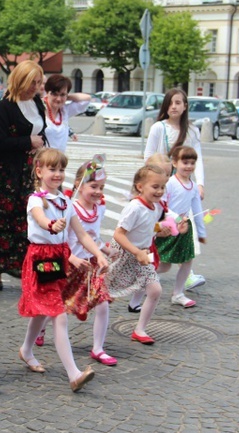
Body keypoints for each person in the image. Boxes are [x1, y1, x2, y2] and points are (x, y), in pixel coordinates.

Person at [18, 148, 107, 392]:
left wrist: (98, 253)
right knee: (58, 314)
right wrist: (51, 225)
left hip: (59, 259)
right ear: (39, 171)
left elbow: (81, 234)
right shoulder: (36, 199)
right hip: (39, 260)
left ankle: (26, 349)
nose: (58, 174)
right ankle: (73, 374)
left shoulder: (66, 202)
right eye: (52, 169)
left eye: (61, 169)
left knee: (45, 311)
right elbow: (39, 218)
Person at [0, 60, 46, 290]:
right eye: (32, 82)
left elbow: (41, 131)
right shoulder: (6, 106)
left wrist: (40, 147)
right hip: (6, 173)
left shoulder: (37, 102)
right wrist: (26, 141)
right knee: (3, 221)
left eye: (39, 82)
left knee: (26, 220)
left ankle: (24, 266)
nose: (36, 87)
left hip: (29, 169)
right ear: (21, 81)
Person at [143, 88, 206, 292]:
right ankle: (145, 263)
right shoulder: (159, 128)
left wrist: (200, 183)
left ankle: (187, 273)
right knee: (159, 228)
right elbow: (148, 156)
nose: (174, 106)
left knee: (183, 226)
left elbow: (199, 158)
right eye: (170, 103)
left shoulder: (192, 130)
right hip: (162, 185)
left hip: (183, 185)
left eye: (178, 102)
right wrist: (154, 181)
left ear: (185, 106)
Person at [108, 165, 172, 345]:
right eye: (155, 186)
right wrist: (135, 251)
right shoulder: (134, 208)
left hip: (143, 255)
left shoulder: (158, 207)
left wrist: (161, 232)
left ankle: (140, 329)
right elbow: (118, 234)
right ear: (140, 187)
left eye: (162, 187)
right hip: (123, 254)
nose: (159, 191)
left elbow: (149, 228)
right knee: (100, 292)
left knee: (155, 290)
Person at [61, 158, 117, 366]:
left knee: (102, 301)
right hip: (69, 265)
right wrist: (71, 257)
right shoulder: (69, 208)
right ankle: (39, 329)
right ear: (78, 185)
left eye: (101, 187)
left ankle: (98, 348)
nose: (98, 191)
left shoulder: (99, 209)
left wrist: (104, 250)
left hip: (91, 265)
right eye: (93, 186)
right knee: (59, 305)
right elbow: (60, 239)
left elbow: (93, 236)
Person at [155, 146, 207, 308]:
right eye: (185, 162)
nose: (189, 166)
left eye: (192, 163)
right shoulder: (169, 183)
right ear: (175, 163)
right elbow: (161, 205)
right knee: (163, 264)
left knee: (187, 261)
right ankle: (143, 278)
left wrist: (201, 231)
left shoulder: (192, 186)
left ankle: (178, 293)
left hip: (184, 227)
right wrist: (175, 218)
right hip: (167, 226)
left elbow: (197, 208)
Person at [42, 74, 91, 151]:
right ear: (47, 92)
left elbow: (86, 99)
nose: (58, 99)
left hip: (59, 160)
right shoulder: (39, 108)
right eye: (54, 94)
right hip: (43, 160)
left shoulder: (65, 110)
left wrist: (67, 97)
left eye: (62, 95)